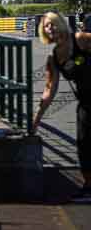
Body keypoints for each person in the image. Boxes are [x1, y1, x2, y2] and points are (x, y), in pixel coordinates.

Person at [34, 11, 91, 203]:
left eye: (53, 23)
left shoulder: (81, 40)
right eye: (46, 26)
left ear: (61, 24)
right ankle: (89, 188)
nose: (51, 28)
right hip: (85, 103)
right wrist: (36, 119)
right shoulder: (54, 58)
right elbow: (50, 89)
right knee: (84, 145)